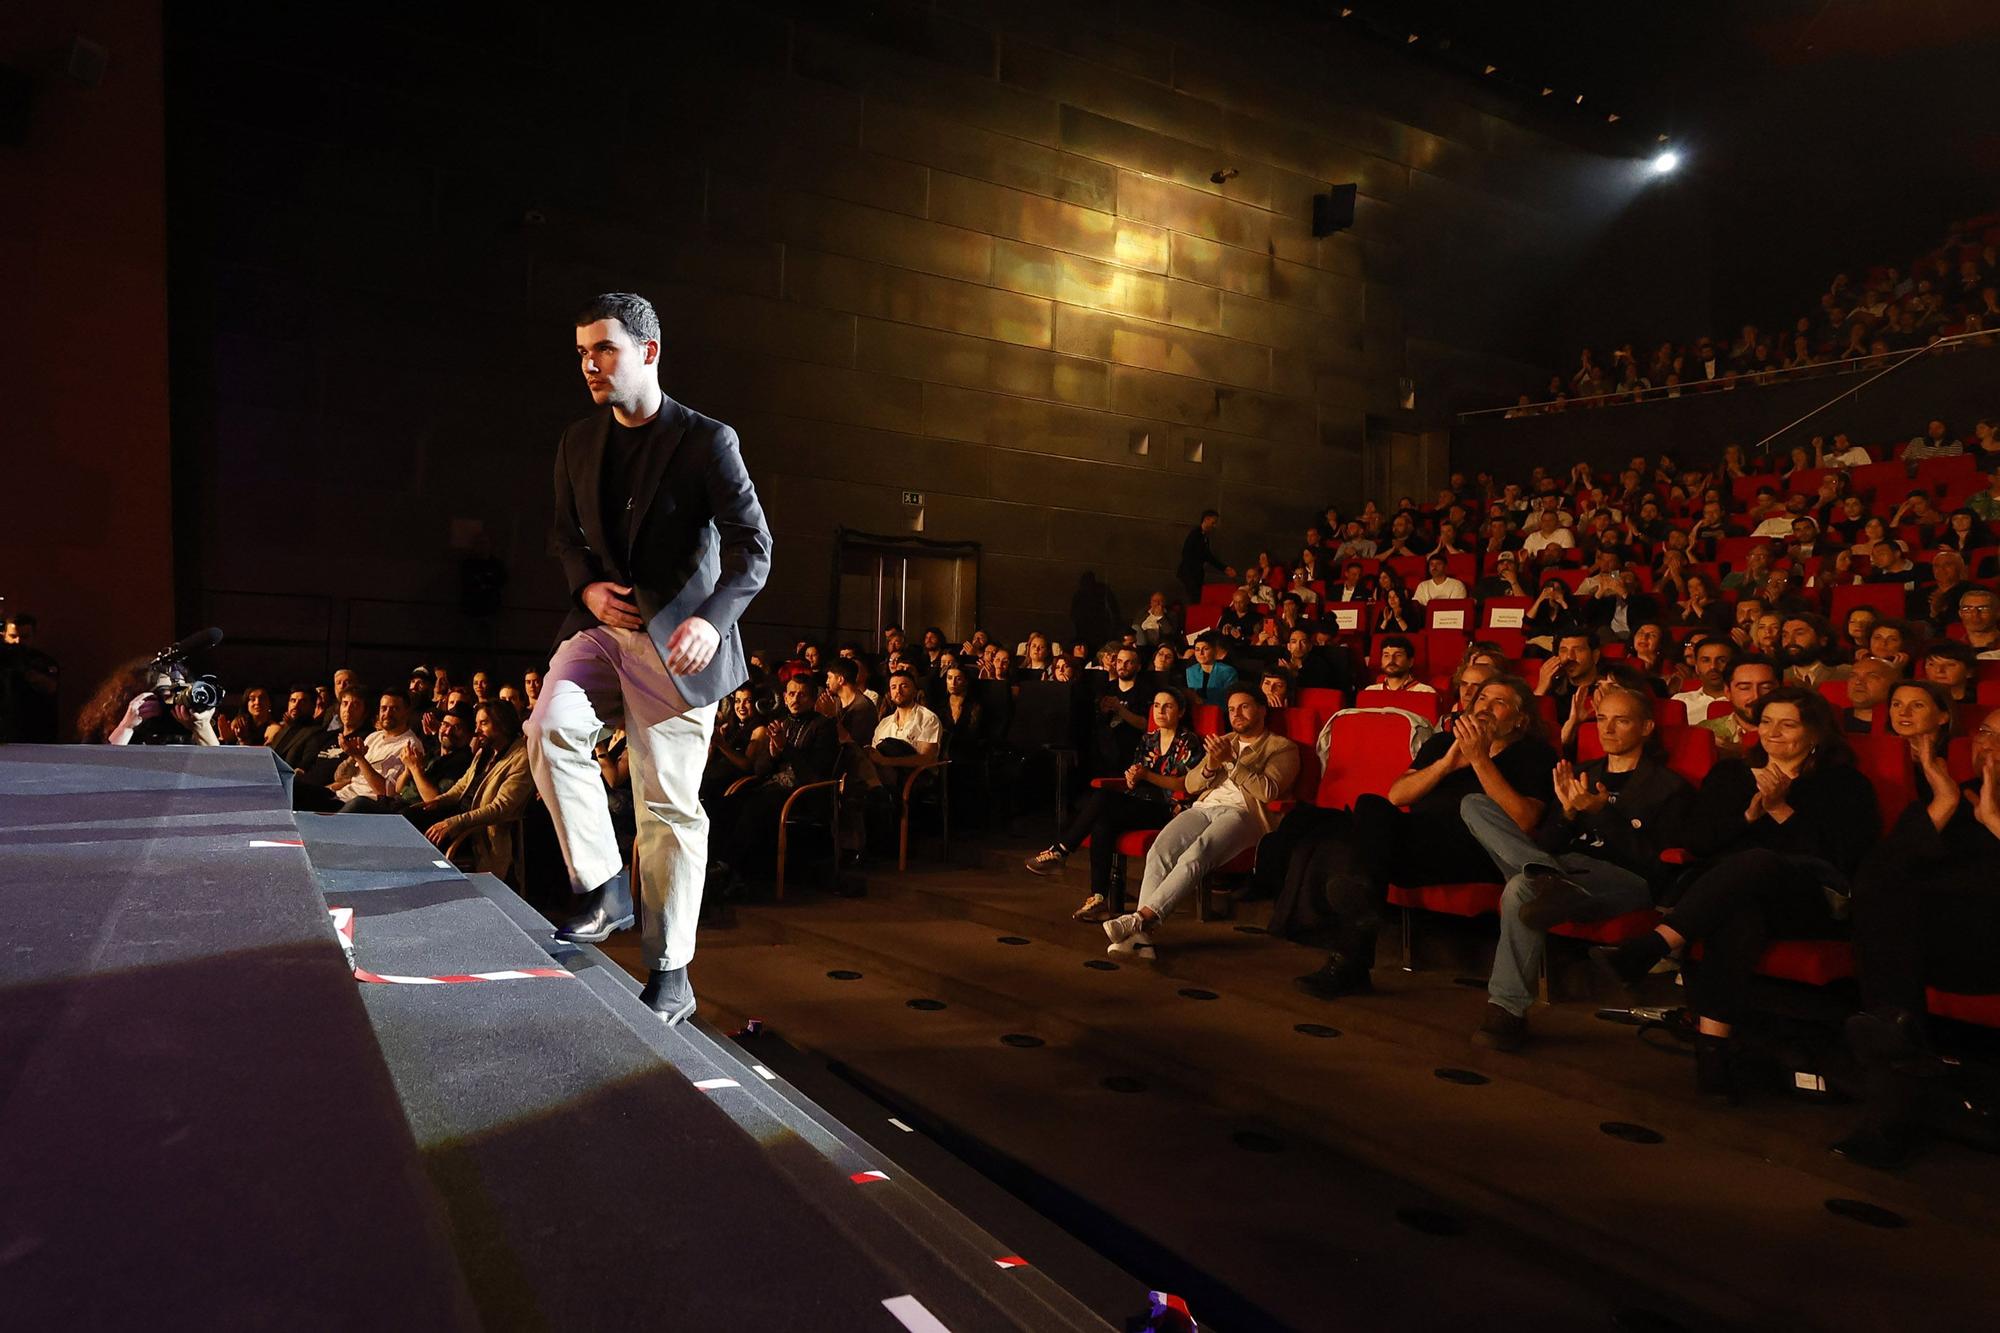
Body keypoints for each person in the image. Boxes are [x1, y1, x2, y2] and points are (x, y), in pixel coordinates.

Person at [527, 292, 773, 1026]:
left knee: (665, 809)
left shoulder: (706, 440)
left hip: (678, 642)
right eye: (581, 352)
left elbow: (754, 549)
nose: (589, 364)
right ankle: (604, 883)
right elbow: (563, 537)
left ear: (649, 351)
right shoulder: (577, 440)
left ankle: (671, 973)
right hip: (604, 628)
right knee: (548, 729)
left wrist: (710, 619)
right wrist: (587, 586)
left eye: (603, 348)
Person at [1595, 688, 1878, 1100]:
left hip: (1809, 899)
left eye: (1787, 724)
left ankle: (1656, 944)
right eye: (1766, 722)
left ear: (1815, 733)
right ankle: (1714, 1058)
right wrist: (1748, 814)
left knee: (1757, 861)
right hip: (1731, 899)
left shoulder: (1842, 783)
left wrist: (1780, 808)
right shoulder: (1731, 775)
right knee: (1739, 912)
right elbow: (1699, 842)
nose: (1773, 733)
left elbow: (1841, 856)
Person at [1462, 683, 1693, 1051]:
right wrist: (1567, 814)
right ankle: (1545, 876)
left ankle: (1506, 1012)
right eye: (1602, 719)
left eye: (1621, 721)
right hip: (1562, 866)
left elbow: (1656, 865)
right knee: (1474, 803)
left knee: (1520, 889)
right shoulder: (1579, 771)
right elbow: (1548, 844)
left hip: (1624, 880)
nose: (1608, 729)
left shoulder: (1668, 787)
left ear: (1646, 728)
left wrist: (1602, 814)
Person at [1295, 676, 1558, 998]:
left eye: (1499, 702)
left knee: (1350, 856)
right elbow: (1397, 795)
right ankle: (1360, 904)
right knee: (1370, 806)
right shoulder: (1440, 744)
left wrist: (1479, 759)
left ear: (1521, 720)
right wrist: (1447, 764)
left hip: (1479, 851)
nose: (1486, 708)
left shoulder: (1534, 755)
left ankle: (1351, 957)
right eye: (1482, 700)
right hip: (1421, 845)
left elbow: (1524, 819)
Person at [1835, 706, 2000, 1167]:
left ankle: (1892, 1101)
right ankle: (1898, 1071)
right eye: (1986, 733)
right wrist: (1944, 803)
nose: (1991, 746)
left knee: (1891, 924)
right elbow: (1878, 874)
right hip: (1929, 948)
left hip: (1990, 948)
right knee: (1883, 897)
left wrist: (1994, 823)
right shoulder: (1951, 796)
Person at [1101, 686, 1298, 960]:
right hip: (1205, 807)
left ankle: (1140, 918)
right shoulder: (1224, 740)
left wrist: (1231, 763)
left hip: (1244, 814)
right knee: (1160, 850)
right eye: (1231, 709)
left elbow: (1268, 791)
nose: (1236, 714)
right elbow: (1191, 784)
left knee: (1198, 853)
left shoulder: (1281, 747)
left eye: (1244, 707)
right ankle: (1140, 935)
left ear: (1262, 709)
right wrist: (1211, 766)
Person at [1026, 687, 1200, 921]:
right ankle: (1098, 900)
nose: (1160, 711)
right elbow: (1138, 776)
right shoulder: (1149, 738)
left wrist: (1146, 776)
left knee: (1103, 798)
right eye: (1156, 706)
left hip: (1170, 808)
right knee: (1102, 821)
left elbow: (1184, 785)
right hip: (1140, 801)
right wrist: (1132, 777)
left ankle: (1061, 850)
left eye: (1167, 706)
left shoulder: (1188, 741)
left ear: (1180, 712)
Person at [413, 700, 535, 878]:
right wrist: (438, 802)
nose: (477, 731)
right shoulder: (484, 752)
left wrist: (454, 823)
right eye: (476, 724)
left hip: (479, 832)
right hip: (459, 818)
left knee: (420, 837)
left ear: (503, 724)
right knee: (408, 816)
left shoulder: (521, 758)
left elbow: (500, 808)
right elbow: (461, 788)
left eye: (483, 723)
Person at [1700, 654, 1780, 756]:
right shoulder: (1707, 733)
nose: (1756, 696)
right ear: (1728, 692)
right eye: (1744, 688)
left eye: (1766, 687)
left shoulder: (1798, 731)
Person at [1670, 636, 1736, 724]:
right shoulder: (1680, 701)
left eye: (1721, 660)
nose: (1713, 667)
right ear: (1697, 667)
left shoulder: (1745, 702)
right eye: (1706, 660)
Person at [1177, 509, 1234, 602]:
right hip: (1190, 575)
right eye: (1213, 522)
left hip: (1195, 575)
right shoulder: (1195, 535)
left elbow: (1208, 556)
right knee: (1193, 600)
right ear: (1206, 519)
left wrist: (1225, 568)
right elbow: (1187, 554)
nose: (1214, 525)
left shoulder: (1204, 537)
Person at [1183, 634, 1239, 704]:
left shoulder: (1228, 671)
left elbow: (1231, 699)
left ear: (1214, 651)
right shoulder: (1190, 671)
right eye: (1197, 650)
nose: (1201, 653)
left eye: (1205, 649)